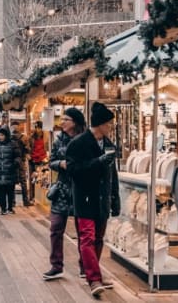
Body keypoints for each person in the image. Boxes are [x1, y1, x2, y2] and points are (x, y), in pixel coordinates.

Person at [66, 102, 120, 296]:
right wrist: (96, 163)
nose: (111, 127)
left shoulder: (109, 145)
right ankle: (93, 278)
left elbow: (112, 173)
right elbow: (72, 171)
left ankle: (94, 272)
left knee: (98, 239)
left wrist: (115, 197)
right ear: (100, 124)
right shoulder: (78, 144)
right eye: (109, 124)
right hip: (85, 199)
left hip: (102, 199)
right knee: (87, 239)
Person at [43, 108, 86, 281]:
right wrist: (60, 163)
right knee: (55, 228)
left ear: (74, 122)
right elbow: (51, 161)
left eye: (65, 119)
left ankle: (85, 266)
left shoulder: (85, 139)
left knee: (83, 231)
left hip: (81, 189)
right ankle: (56, 266)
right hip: (61, 189)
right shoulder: (59, 139)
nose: (62, 122)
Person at [0, 126, 20, 215]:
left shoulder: (13, 144)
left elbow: (18, 156)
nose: (1, 137)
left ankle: (10, 208)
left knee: (10, 192)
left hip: (9, 172)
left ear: (6, 135)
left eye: (2, 135)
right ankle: (3, 208)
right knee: (1, 192)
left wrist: (14, 164)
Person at [10, 121, 32, 206]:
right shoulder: (24, 138)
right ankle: (25, 201)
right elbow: (28, 149)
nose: (15, 128)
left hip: (13, 162)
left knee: (13, 182)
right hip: (21, 162)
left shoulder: (10, 138)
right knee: (23, 181)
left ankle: (12, 201)